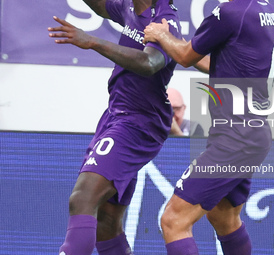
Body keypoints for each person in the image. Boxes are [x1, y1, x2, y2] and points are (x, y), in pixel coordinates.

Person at [143, 0, 274, 254]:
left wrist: (162, 36)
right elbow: (219, 67)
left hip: (234, 139)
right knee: (223, 217)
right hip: (253, 134)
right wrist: (178, 44)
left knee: (173, 220)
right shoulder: (267, 11)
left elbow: (185, 56)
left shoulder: (231, 12)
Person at [48, 0, 181, 254]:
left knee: (83, 198)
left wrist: (93, 41)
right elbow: (100, 6)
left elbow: (149, 63)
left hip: (138, 122)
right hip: (117, 115)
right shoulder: (131, 7)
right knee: (106, 222)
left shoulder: (166, 21)